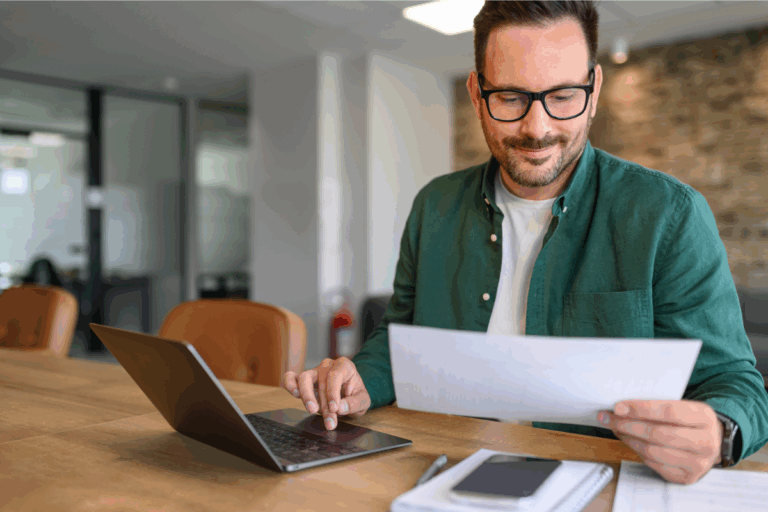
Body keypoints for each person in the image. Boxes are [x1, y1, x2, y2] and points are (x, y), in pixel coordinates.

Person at [284, 0, 768, 484]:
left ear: (594, 89)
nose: (537, 129)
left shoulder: (670, 215)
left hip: (597, 485)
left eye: (562, 96)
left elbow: (736, 384)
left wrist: (718, 431)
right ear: (477, 93)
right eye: (511, 98)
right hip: (441, 473)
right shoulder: (435, 207)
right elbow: (397, 339)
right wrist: (361, 378)